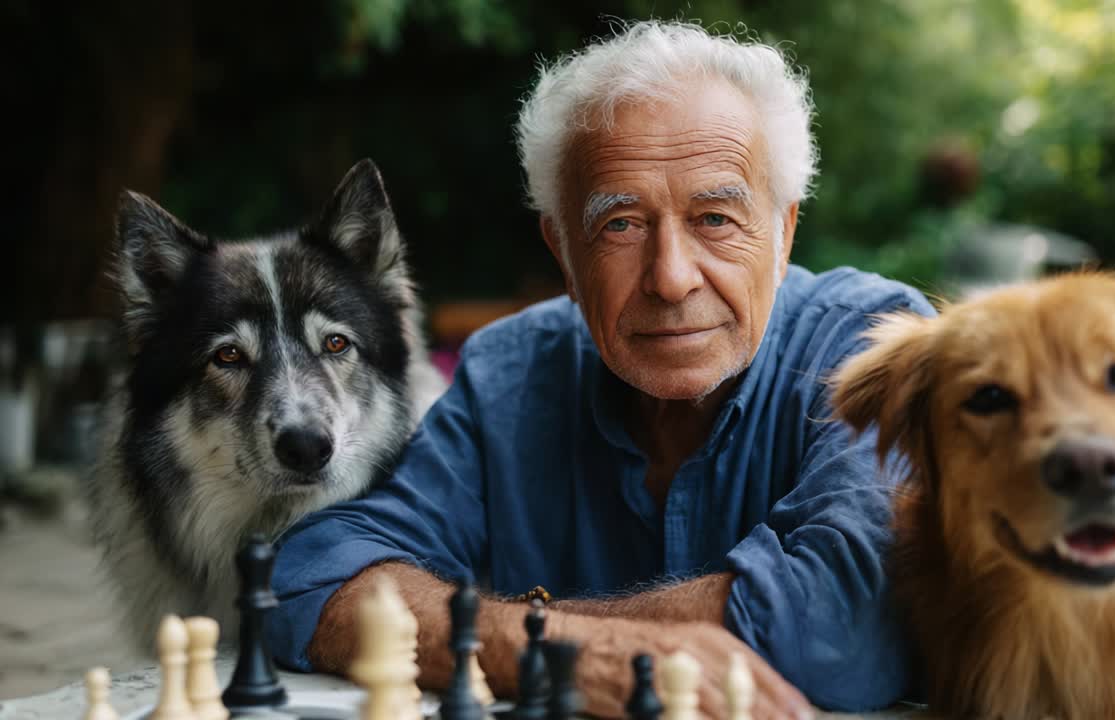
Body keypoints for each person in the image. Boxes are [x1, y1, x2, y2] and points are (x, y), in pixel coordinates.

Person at [265, 20, 932, 718]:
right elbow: (312, 581)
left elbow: (847, 627)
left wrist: (509, 633)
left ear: (783, 230)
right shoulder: (510, 375)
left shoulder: (872, 345)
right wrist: (570, 650)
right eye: (620, 225)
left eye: (714, 219)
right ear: (564, 253)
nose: (671, 279)